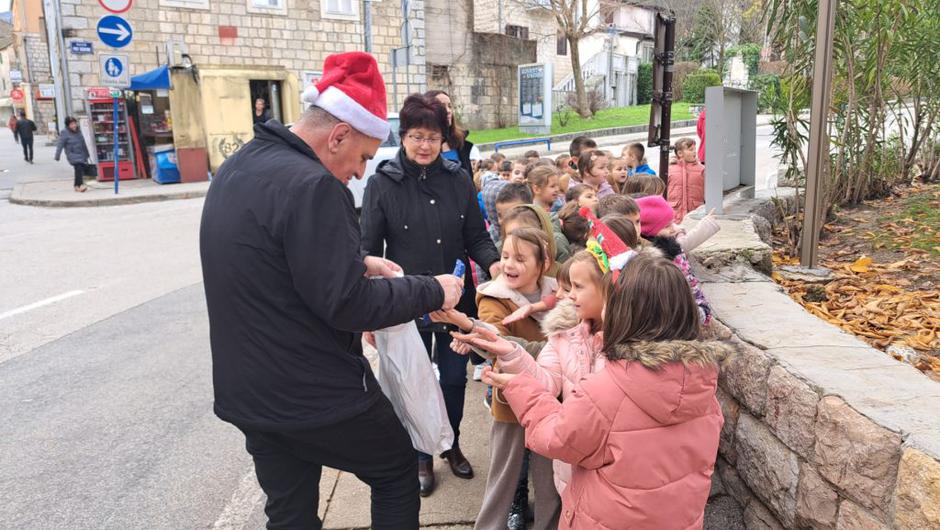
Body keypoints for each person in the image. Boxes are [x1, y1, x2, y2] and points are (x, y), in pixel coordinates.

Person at [199, 52, 464, 530]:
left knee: (290, 510)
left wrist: (355, 259)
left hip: (250, 396)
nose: (361, 173)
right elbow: (349, 304)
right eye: (362, 156)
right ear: (338, 134)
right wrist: (432, 289)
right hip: (315, 395)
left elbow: (266, 255)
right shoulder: (315, 186)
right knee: (395, 470)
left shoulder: (240, 166)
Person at [479, 251, 733, 530]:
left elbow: (555, 437)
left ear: (624, 311)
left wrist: (520, 387)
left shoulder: (608, 388)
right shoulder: (704, 387)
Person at [360, 93, 501, 497]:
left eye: (433, 137)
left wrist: (494, 267)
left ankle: (450, 444)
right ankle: (421, 453)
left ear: (444, 139)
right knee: (412, 382)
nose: (425, 145)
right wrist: (371, 313)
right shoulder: (382, 183)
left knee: (454, 379)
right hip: (405, 304)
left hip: (456, 301)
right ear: (403, 137)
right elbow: (368, 250)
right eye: (417, 136)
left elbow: (476, 235)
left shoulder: (458, 178)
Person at [444, 227, 562, 530]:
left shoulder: (559, 292)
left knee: (551, 481)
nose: (509, 264)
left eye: (520, 258)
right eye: (506, 255)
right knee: (502, 480)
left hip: (551, 403)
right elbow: (494, 333)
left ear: (543, 263)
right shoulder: (493, 295)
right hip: (510, 403)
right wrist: (474, 333)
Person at [637, 194, 713, 326]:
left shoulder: (672, 247)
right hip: (677, 318)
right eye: (666, 226)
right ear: (648, 230)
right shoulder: (658, 259)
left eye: (672, 223)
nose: (673, 229)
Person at [426, 90, 475, 179]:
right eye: (442, 106)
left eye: (449, 106)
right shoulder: (423, 147)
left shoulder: (460, 141)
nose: (448, 111)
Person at [668, 137, 706, 223]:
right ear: (680, 153)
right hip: (674, 216)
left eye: (695, 149)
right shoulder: (669, 169)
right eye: (690, 149)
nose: (694, 152)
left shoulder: (702, 169)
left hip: (695, 214)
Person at [54, 116, 91, 193]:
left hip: (81, 153)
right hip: (72, 154)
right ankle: (80, 185)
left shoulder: (78, 131)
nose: (74, 125)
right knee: (78, 167)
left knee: (79, 169)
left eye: (75, 123)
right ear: (68, 125)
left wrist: (87, 154)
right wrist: (57, 155)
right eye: (71, 124)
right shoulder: (64, 132)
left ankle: (76, 186)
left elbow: (83, 143)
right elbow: (60, 144)